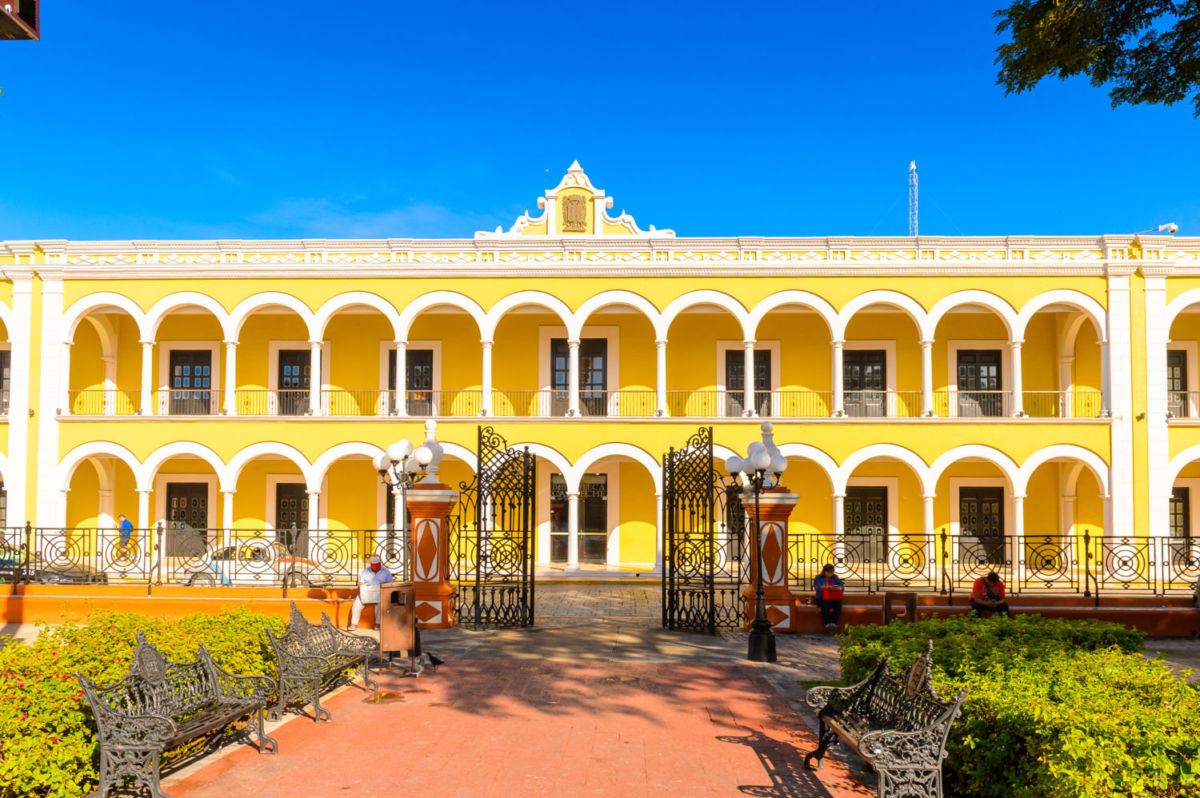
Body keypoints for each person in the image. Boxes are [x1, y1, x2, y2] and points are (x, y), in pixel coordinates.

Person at [349, 554, 393, 630]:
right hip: (366, 593)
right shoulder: (365, 571)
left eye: (377, 567)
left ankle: (378, 624)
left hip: (379, 593)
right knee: (357, 602)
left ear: (380, 564)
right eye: (374, 567)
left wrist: (382, 585)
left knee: (381, 603)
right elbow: (360, 583)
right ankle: (354, 624)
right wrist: (361, 585)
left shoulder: (386, 572)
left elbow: (391, 583)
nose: (375, 569)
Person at [813, 563, 844, 633]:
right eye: (829, 572)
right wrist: (825, 588)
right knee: (825, 606)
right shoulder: (818, 578)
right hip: (821, 598)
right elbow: (817, 588)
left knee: (838, 605)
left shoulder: (835, 577)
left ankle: (833, 623)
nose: (830, 574)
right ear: (824, 572)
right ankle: (828, 623)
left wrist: (836, 588)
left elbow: (841, 587)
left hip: (833, 598)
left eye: (832, 572)